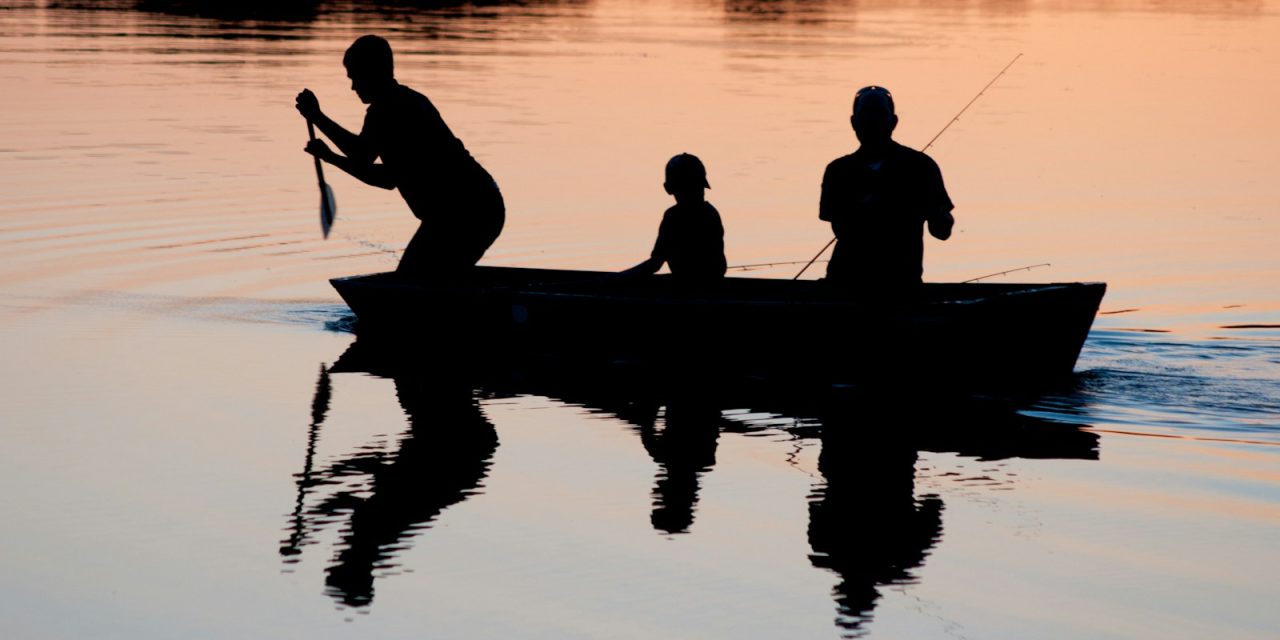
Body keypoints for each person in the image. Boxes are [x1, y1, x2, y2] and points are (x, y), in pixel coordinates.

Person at [295, 35, 504, 278]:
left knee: (415, 282)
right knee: (423, 280)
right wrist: (330, 156)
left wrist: (318, 118)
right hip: (468, 210)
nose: (353, 87)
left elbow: (361, 156)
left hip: (466, 212)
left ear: (373, 72)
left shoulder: (391, 110)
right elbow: (386, 178)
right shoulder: (401, 103)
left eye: (355, 77)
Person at [819, 86, 954, 289]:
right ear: (854, 123)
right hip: (845, 282)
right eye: (866, 115)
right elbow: (840, 228)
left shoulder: (921, 166)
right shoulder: (838, 170)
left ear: (893, 122)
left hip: (902, 283)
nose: (872, 122)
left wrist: (937, 213)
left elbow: (942, 232)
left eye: (879, 114)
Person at [622, 153, 727, 282]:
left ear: (668, 188)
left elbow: (655, 264)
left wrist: (617, 278)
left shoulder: (673, 217)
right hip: (712, 285)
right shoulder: (711, 212)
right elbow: (719, 268)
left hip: (689, 288)